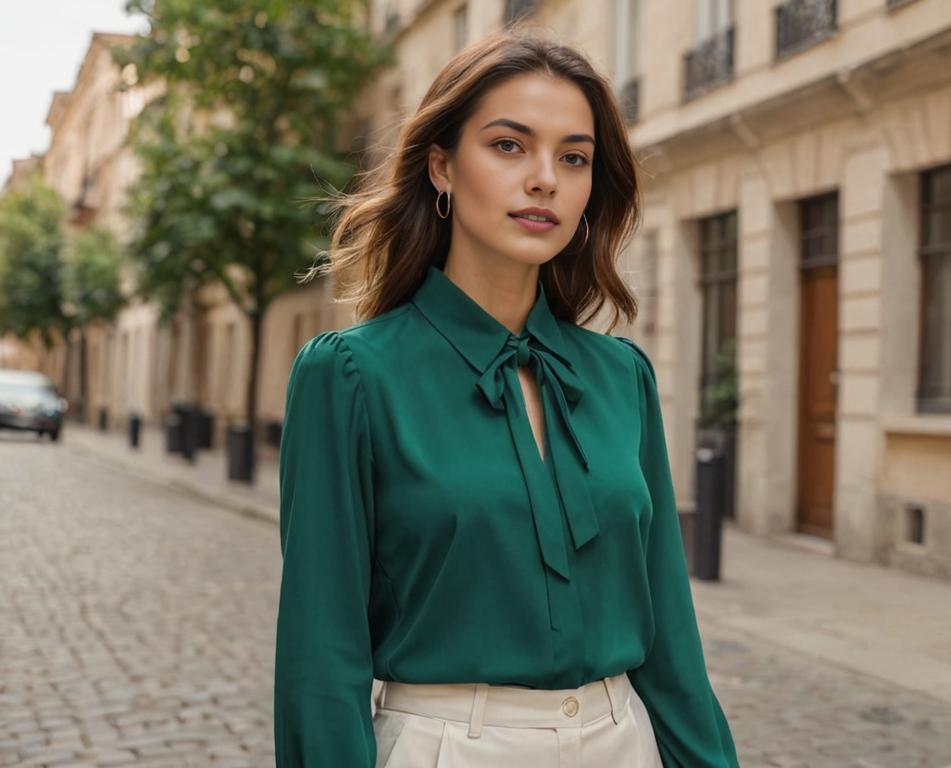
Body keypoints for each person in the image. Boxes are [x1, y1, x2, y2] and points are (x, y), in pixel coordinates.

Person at [274, 28, 740, 768]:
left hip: (625, 743)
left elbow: (670, 636)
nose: (546, 179)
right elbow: (318, 659)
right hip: (447, 746)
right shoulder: (352, 376)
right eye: (509, 146)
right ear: (442, 167)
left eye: (574, 157)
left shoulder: (623, 379)